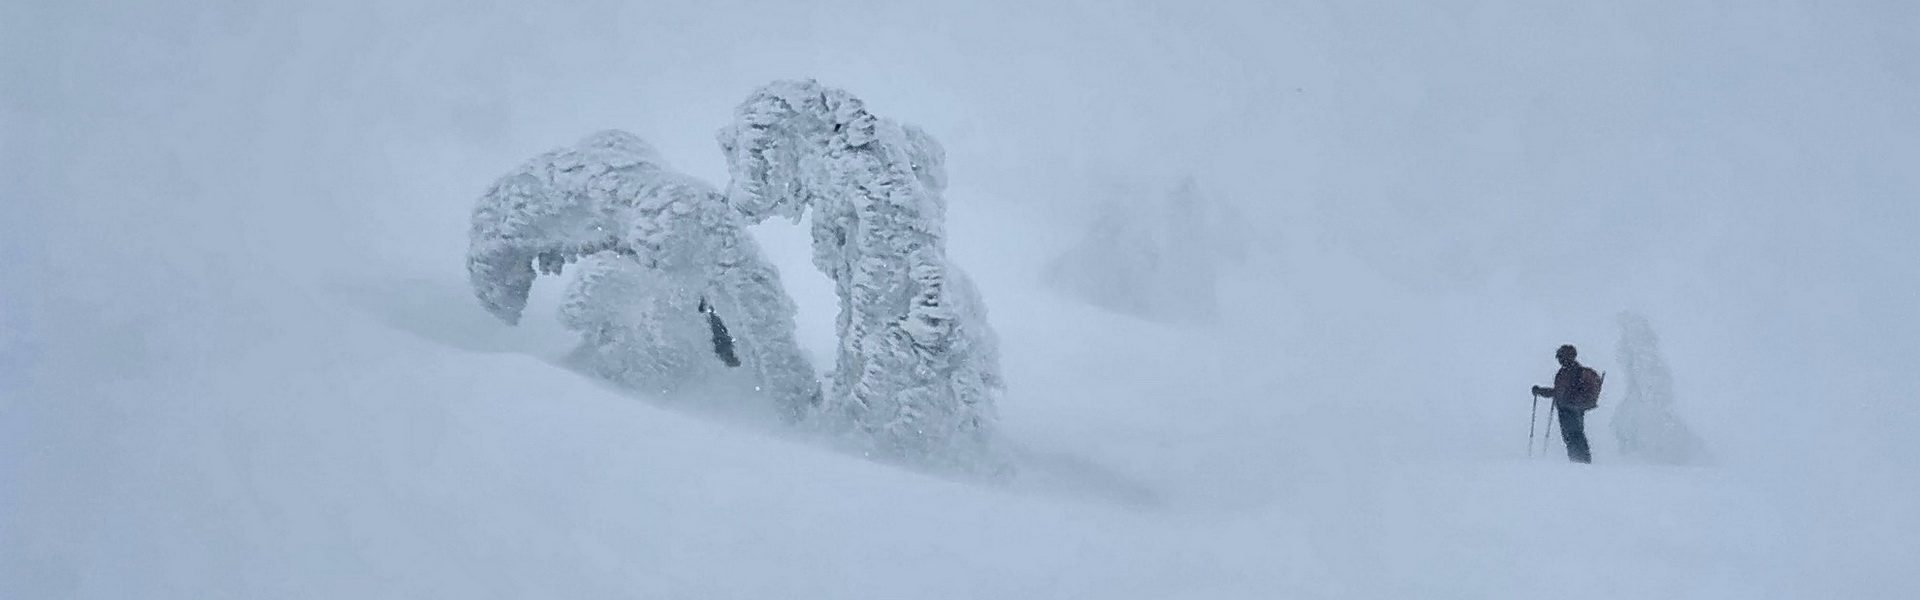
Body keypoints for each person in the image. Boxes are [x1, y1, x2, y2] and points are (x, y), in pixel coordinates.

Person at [1532, 344, 1594, 463]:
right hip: (1575, 408)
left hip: (1568, 409)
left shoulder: (1569, 373)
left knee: (1572, 436)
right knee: (1575, 435)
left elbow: (1559, 392)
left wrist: (1540, 391)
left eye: (1560, 356)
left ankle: (1579, 461)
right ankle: (1582, 460)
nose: (1559, 359)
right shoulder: (1573, 371)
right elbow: (1559, 392)